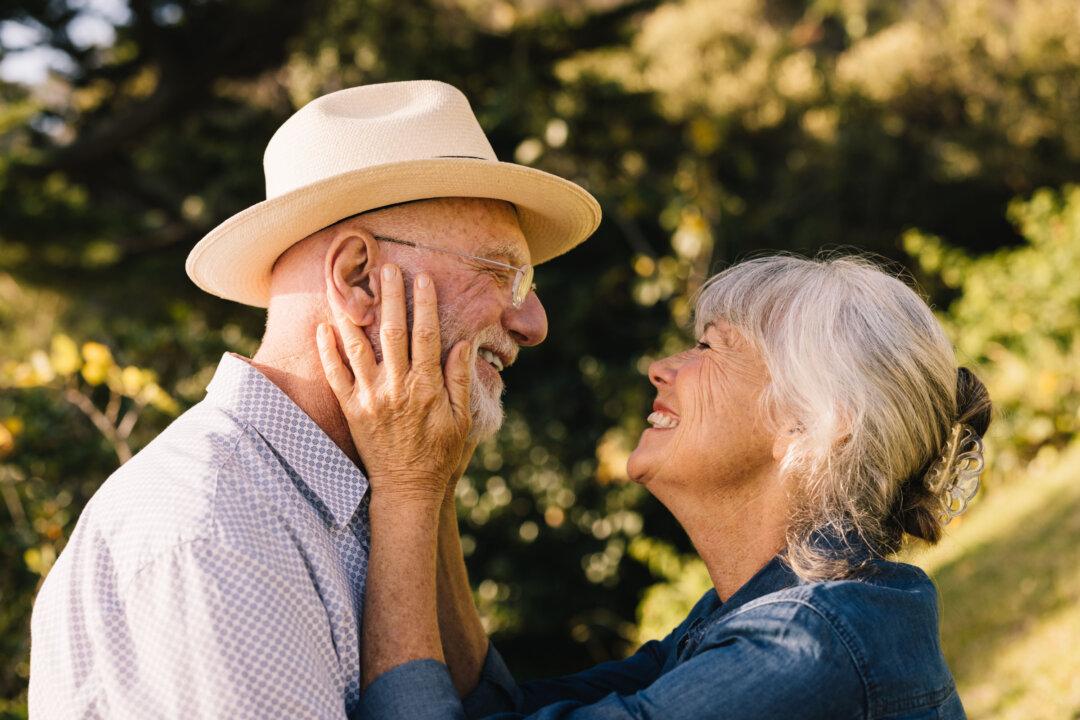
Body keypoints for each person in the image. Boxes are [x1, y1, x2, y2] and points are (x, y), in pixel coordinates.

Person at [27, 80, 601, 718]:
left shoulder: (341, 496)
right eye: (500, 273)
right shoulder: (218, 531)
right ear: (358, 279)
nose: (534, 323)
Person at [319, 254, 990, 720]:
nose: (662, 367)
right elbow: (495, 708)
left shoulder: (807, 645)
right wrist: (433, 476)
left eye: (709, 348)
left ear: (810, 423)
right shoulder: (758, 614)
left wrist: (406, 486)